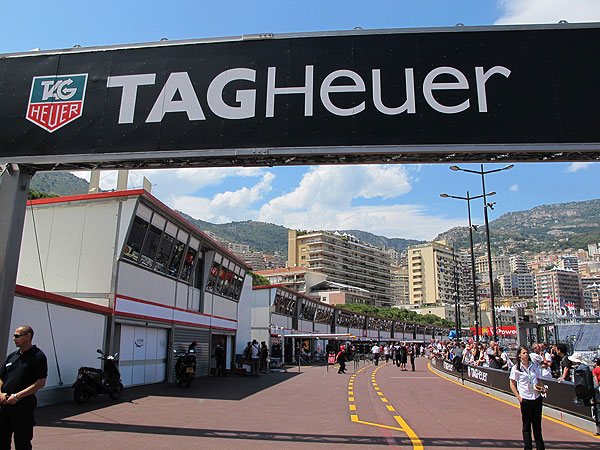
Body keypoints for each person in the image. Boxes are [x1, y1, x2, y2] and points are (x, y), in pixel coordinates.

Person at [0, 326, 48, 450]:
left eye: (17, 336)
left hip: (23, 408)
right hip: (4, 406)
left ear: (28, 336)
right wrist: (0, 394)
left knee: (22, 443)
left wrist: (18, 396)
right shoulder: (12, 356)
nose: (13, 339)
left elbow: (41, 382)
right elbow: (1, 378)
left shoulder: (38, 356)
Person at [509, 345, 547, 450]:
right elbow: (512, 384)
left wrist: (542, 388)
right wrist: (519, 397)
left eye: (527, 353)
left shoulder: (534, 366)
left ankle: (540, 447)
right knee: (526, 425)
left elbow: (538, 380)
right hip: (525, 399)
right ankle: (528, 447)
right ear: (519, 355)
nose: (526, 355)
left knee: (537, 425)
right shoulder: (516, 368)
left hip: (536, 397)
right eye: (524, 353)